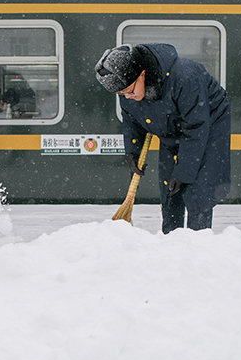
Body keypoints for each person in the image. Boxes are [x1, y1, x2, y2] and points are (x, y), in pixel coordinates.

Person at [95, 43, 231, 234]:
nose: (128, 97)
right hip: (171, 124)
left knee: (198, 188)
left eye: (130, 92)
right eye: (121, 94)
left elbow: (195, 128)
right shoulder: (127, 86)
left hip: (207, 123)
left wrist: (184, 171)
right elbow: (132, 119)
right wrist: (132, 151)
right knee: (169, 187)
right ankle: (170, 238)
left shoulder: (184, 77)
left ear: (142, 74)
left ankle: (198, 239)